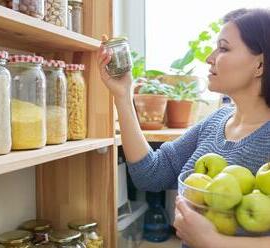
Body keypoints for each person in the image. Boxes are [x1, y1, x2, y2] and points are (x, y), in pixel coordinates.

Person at [98, 8, 270, 248]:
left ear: (260, 65)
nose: (210, 58)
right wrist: (123, 96)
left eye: (224, 48)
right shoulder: (215, 121)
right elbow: (150, 175)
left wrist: (214, 242)